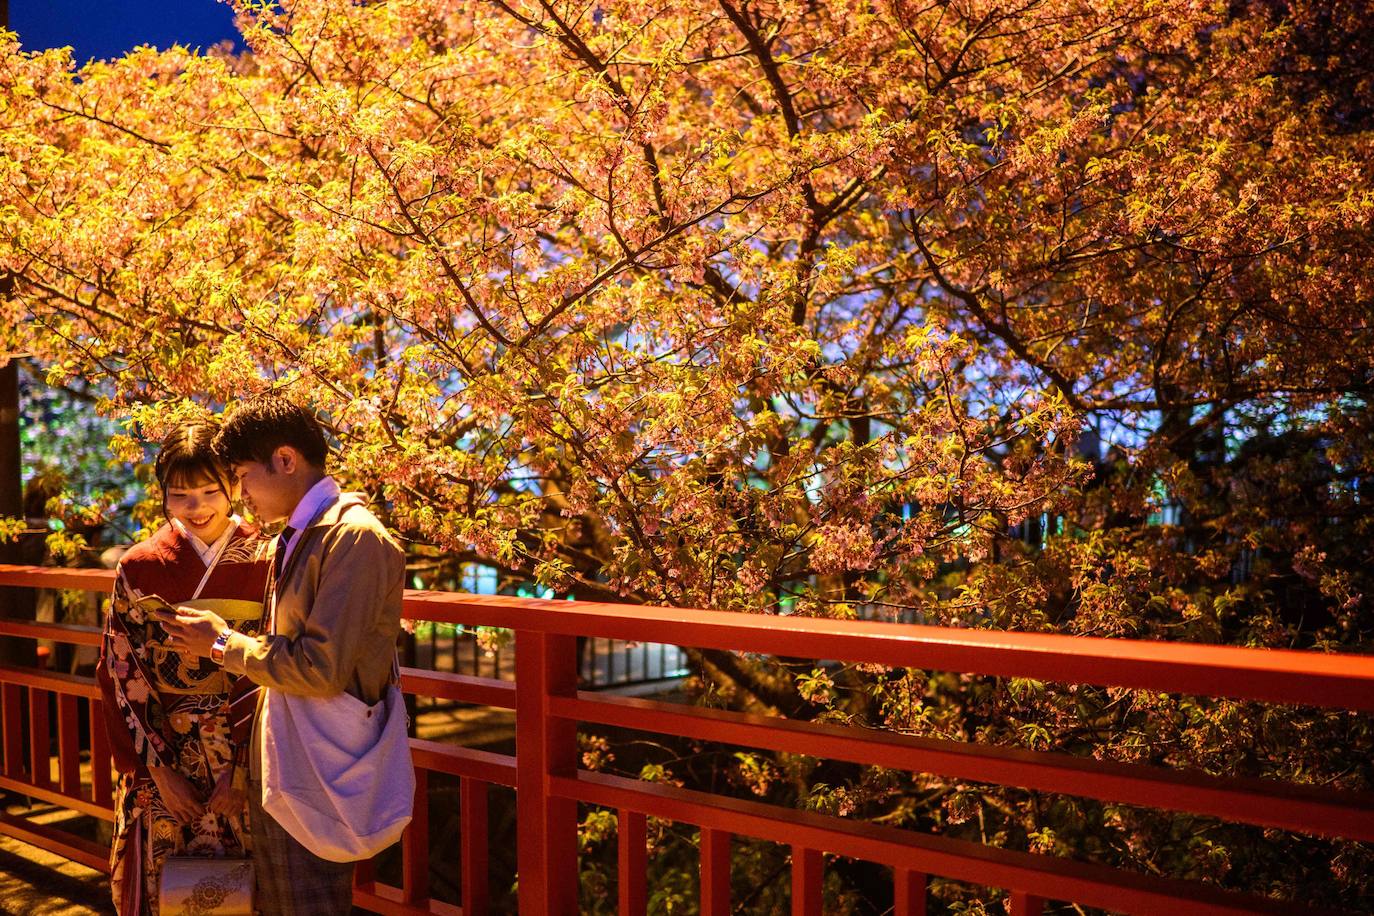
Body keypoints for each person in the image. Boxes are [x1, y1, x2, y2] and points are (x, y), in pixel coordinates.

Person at [156, 393, 405, 916]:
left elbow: (320, 667)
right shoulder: (304, 532)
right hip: (297, 752)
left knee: (307, 902)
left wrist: (222, 643)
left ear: (286, 461)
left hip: (319, 759)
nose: (241, 494)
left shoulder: (353, 537)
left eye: (244, 476)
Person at [97, 420, 269, 915]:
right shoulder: (141, 565)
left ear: (235, 484)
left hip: (246, 752)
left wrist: (239, 767)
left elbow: (268, 660)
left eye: (210, 491)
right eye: (180, 495)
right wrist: (156, 767)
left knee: (250, 883)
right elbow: (121, 670)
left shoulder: (265, 558)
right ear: (163, 495)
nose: (197, 509)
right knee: (164, 885)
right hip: (163, 747)